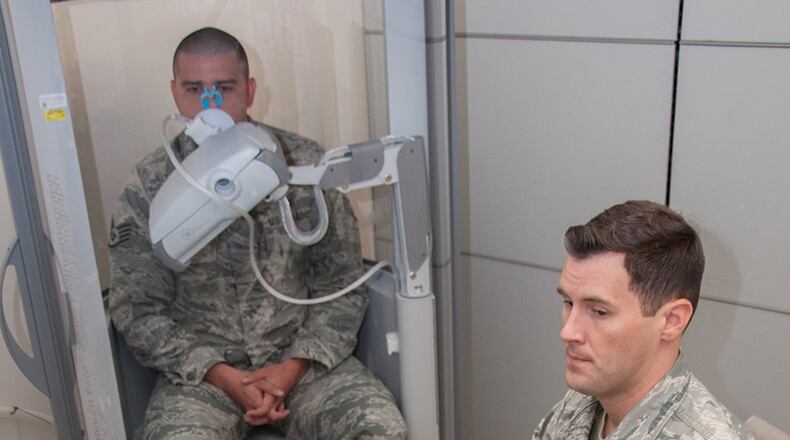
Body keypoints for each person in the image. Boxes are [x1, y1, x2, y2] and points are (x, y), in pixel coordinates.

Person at [108, 27, 407, 440]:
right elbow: (136, 309)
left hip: (304, 366)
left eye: (224, 88)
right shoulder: (151, 186)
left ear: (249, 90)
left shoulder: (304, 164)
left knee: (380, 430)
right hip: (201, 380)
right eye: (195, 89)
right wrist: (223, 376)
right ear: (175, 93)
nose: (210, 105)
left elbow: (342, 286)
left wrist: (293, 367)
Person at [532, 200, 754, 440]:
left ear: (672, 320)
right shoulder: (582, 404)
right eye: (569, 303)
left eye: (599, 312)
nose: (568, 332)